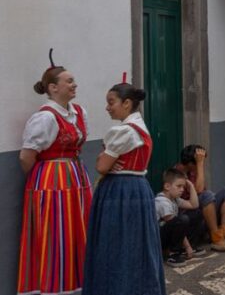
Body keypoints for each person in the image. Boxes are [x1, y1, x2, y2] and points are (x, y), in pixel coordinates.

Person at [18, 54, 93, 295]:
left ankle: (78, 284)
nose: (74, 85)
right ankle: (55, 287)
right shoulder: (45, 117)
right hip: (51, 183)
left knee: (77, 231)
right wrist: (43, 180)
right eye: (69, 81)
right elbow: (26, 157)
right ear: (53, 87)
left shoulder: (78, 111)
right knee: (55, 235)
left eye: (74, 81)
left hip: (76, 179)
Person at [83, 81, 165, 295]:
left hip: (119, 191)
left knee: (115, 245)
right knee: (137, 245)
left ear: (127, 103)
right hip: (139, 189)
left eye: (111, 102)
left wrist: (104, 159)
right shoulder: (141, 127)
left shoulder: (122, 131)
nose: (107, 107)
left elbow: (101, 166)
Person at [174, 145, 225, 251]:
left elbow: (203, 192)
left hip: (201, 211)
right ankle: (217, 239)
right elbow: (199, 191)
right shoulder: (177, 173)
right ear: (190, 164)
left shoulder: (192, 170)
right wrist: (200, 164)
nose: (203, 163)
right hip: (188, 216)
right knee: (207, 195)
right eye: (200, 160)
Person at [155, 168, 201, 266]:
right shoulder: (162, 201)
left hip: (168, 233)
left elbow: (194, 205)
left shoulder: (174, 199)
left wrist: (191, 186)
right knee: (181, 220)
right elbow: (176, 224)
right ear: (167, 186)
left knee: (195, 213)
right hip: (157, 239)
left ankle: (187, 248)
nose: (182, 189)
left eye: (183, 186)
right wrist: (187, 246)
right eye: (179, 186)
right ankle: (174, 254)